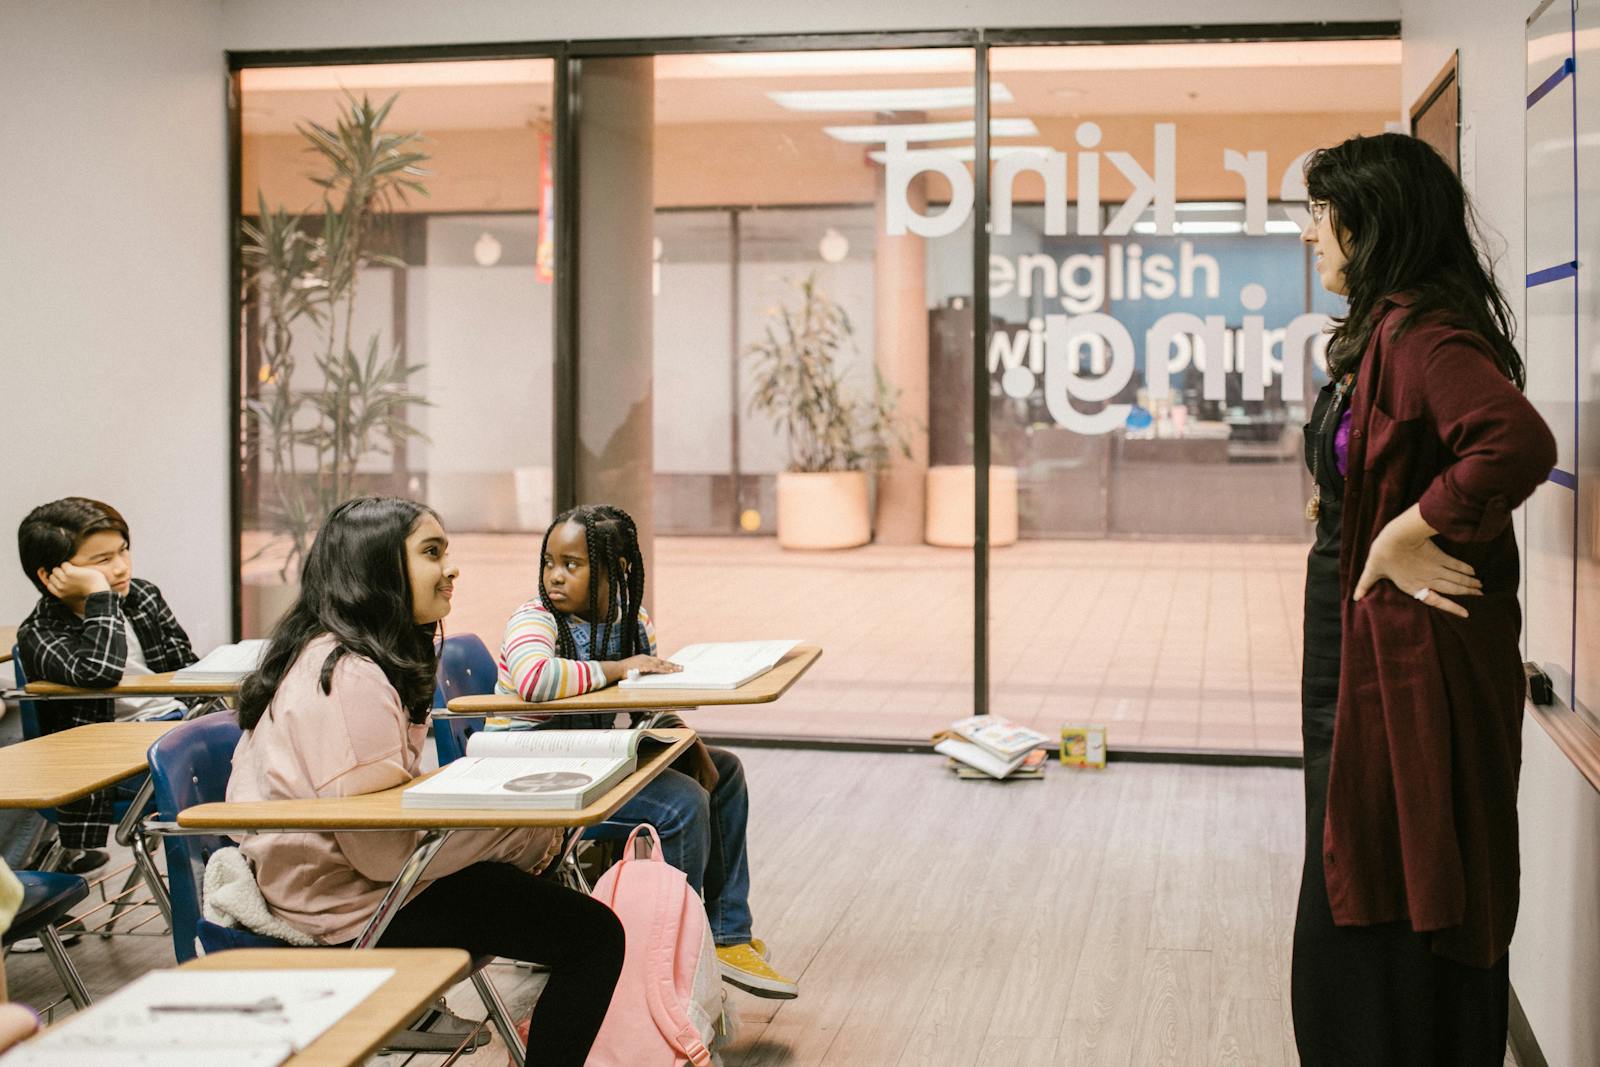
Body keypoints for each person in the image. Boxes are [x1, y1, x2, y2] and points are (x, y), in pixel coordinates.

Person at [1292, 132, 1557, 1065]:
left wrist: (1409, 529)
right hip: (1366, 644)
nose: (1311, 238)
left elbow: (1516, 443)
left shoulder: (1422, 333)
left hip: (1415, 663)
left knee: (1397, 875)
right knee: (1360, 858)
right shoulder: (1385, 333)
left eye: (1321, 219)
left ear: (1370, 227)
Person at [229, 496, 623, 1066]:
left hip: (349, 885)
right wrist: (513, 833)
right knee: (593, 937)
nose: (452, 568)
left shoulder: (351, 655)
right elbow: (384, 855)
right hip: (348, 909)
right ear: (376, 567)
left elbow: (387, 815)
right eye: (432, 553)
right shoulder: (348, 676)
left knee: (569, 916)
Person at [498, 503, 799, 999]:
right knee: (681, 804)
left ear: (614, 572)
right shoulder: (535, 619)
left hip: (594, 759)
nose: (554, 576)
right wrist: (620, 669)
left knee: (722, 771)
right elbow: (535, 679)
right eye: (549, 561)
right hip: (534, 770)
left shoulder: (633, 621)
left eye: (571, 565)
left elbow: (648, 703)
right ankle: (676, 950)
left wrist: (685, 739)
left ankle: (726, 935)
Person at [15, 497, 197, 873]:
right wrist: (101, 598)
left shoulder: (142, 596)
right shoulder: (41, 633)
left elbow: (188, 669)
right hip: (113, 766)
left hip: (178, 730)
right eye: (101, 562)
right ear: (52, 576)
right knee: (231, 777)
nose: (120, 567)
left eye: (123, 551)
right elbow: (101, 672)